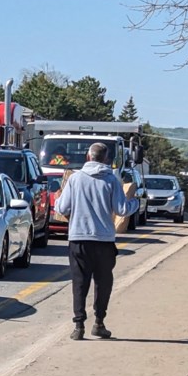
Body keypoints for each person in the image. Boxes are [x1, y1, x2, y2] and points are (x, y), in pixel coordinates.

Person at [54, 142, 139, 340]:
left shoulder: (74, 179)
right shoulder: (111, 180)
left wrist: (58, 198)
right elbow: (122, 210)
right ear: (106, 159)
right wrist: (135, 201)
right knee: (103, 282)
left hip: (78, 238)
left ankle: (79, 326)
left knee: (79, 282)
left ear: (88, 157)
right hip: (104, 239)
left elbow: (62, 208)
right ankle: (99, 322)